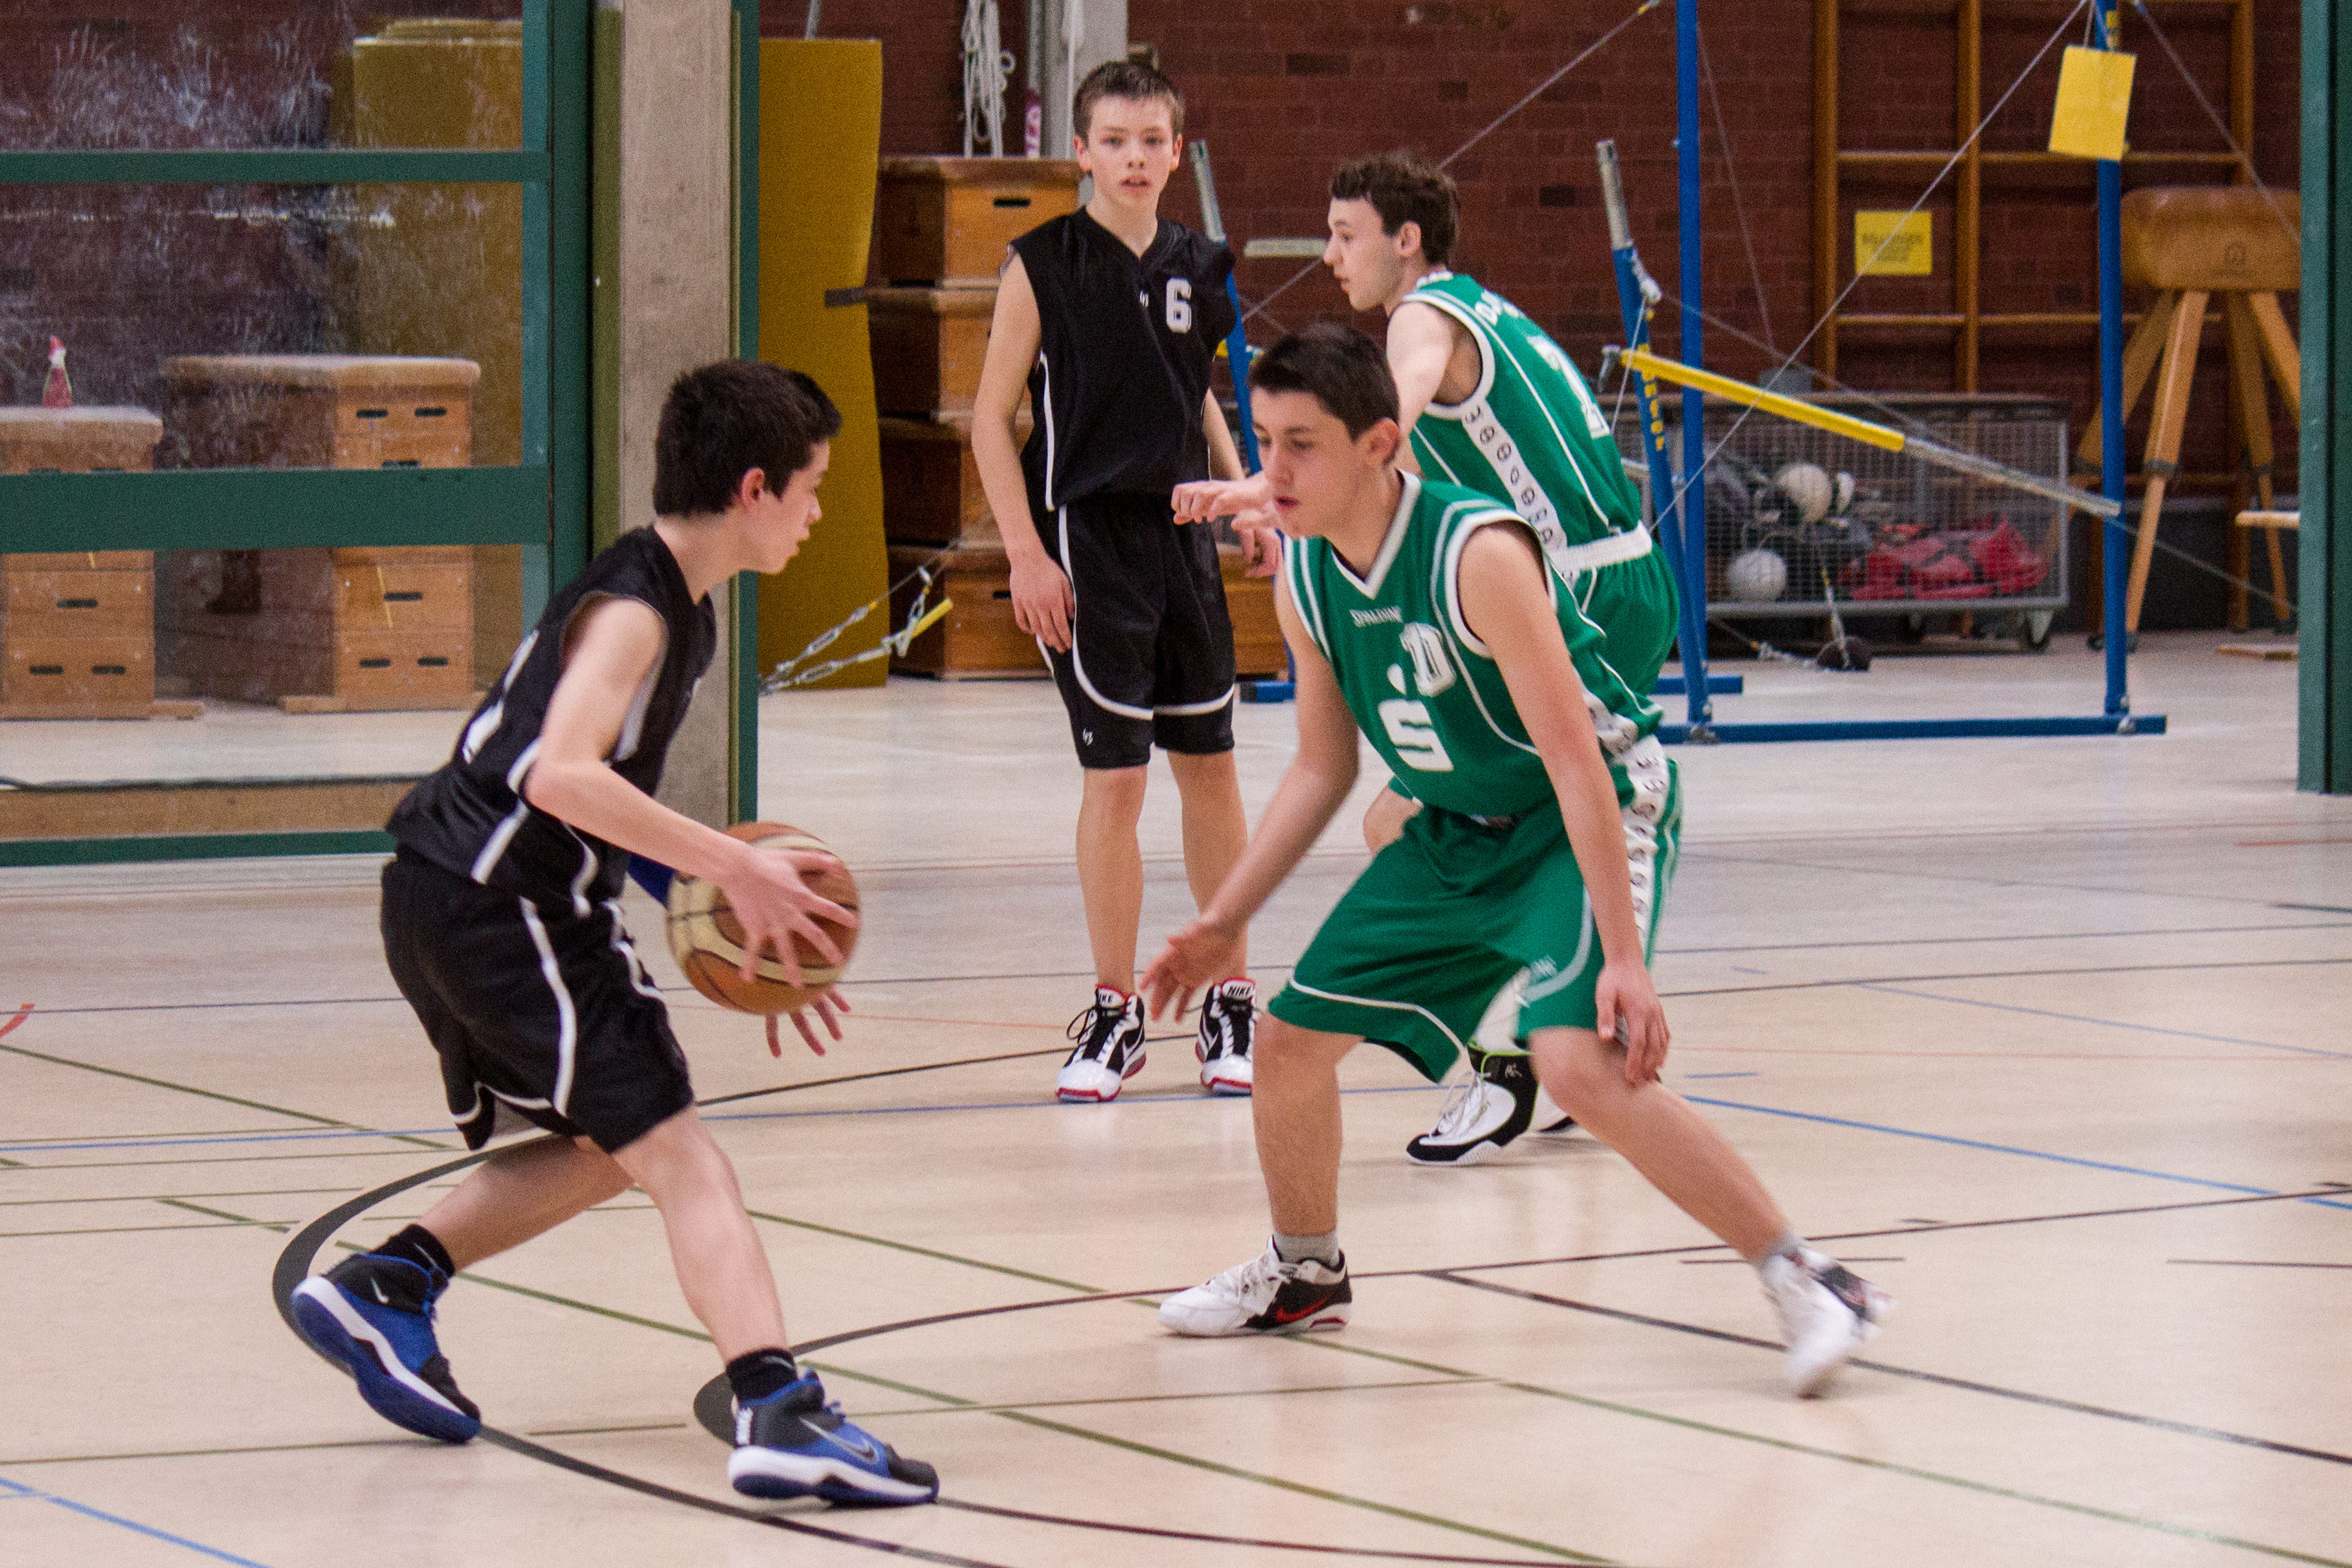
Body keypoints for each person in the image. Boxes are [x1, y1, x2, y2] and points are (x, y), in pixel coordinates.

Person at [1142, 327, 1890, 1397]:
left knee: (1578, 1064)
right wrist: (1223, 920)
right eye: (1265, 441)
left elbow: (1579, 763)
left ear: (1380, 444)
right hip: (1457, 825)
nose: (1274, 471)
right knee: (1290, 1044)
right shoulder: (1304, 574)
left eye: (1302, 444)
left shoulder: (1476, 553)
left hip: (1584, 807)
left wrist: (1623, 959)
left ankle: (1811, 1278)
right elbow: (1321, 767)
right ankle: (1304, 1273)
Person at [289, 360, 939, 1506]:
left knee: (611, 1147)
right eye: (812, 487)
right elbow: (560, 776)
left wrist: (759, 923)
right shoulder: (640, 611)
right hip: (502, 902)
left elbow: (590, 799)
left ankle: (391, 1282)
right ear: (754, 488)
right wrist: (735, 863)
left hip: (447, 890)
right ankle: (777, 1407)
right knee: (683, 1154)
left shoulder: (672, 601)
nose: (817, 512)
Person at [1176, 152, 1679, 1165]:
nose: (1330, 256)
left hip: (1571, 582)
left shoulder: (1420, 318)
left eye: (1346, 234)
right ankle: (1561, 1013)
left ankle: (1546, 1037)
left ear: (1406, 242)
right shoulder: (1481, 306)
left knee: (1541, 786)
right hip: (1620, 570)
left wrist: (1266, 488)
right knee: (1425, 813)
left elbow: (1390, 424)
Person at [972, 58, 1267, 1104]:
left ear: (1176, 152)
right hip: (1087, 541)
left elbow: (1198, 394)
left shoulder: (1198, 262)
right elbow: (990, 420)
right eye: (1115, 141)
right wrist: (1025, 554)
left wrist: (1246, 495)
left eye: (1152, 141)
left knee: (1211, 768)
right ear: (1083, 151)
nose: (1134, 158)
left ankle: (1231, 997)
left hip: (1184, 536)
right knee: (1117, 781)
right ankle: (1115, 1009)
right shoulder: (1041, 264)